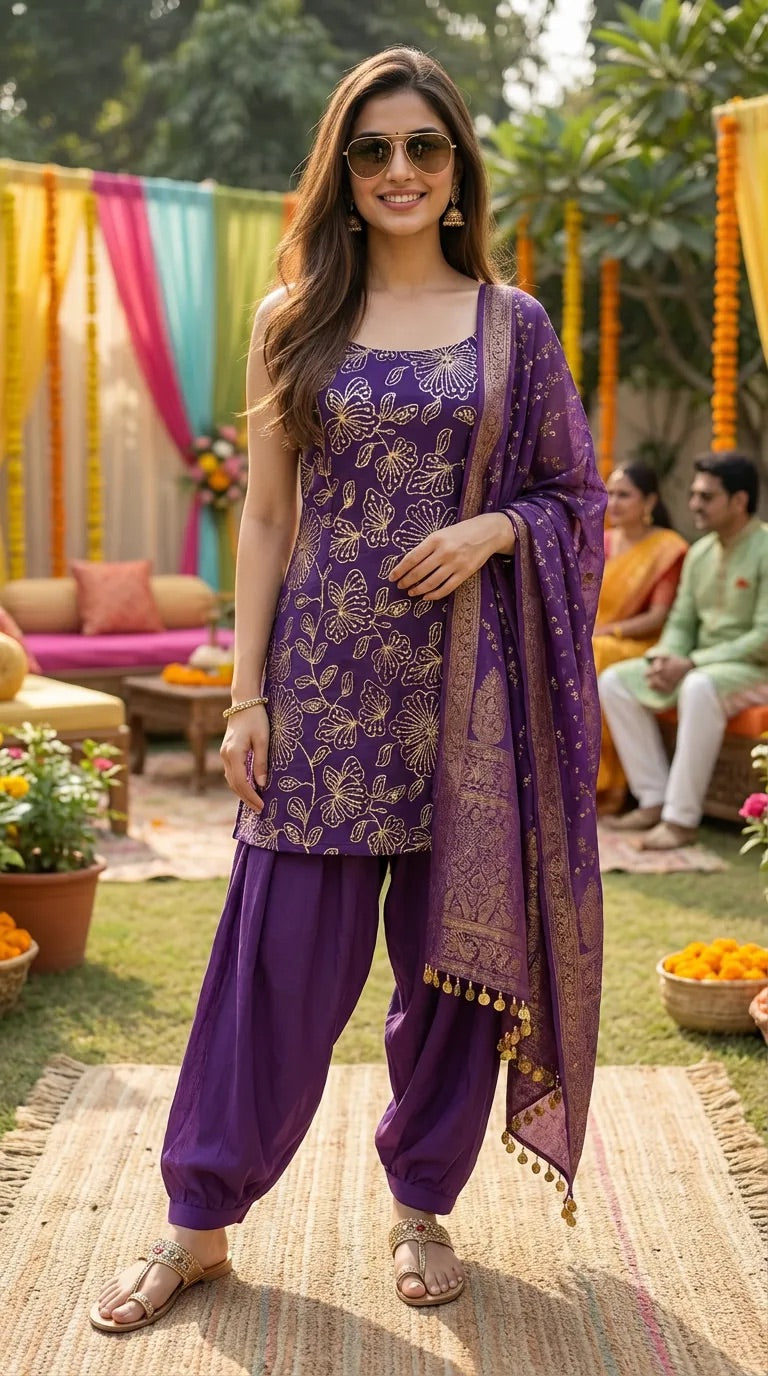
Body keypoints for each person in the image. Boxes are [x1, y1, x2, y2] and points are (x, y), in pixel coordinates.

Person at [92, 46, 605, 1333]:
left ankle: (422, 1202)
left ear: (457, 169)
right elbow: (267, 517)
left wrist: (494, 530)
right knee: (273, 965)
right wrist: (246, 694)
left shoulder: (514, 325)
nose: (398, 170)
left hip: (470, 701)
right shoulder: (294, 318)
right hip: (323, 689)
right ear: (343, 170)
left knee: (453, 974)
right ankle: (197, 1222)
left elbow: (573, 497)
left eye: (423, 146)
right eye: (372, 149)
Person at [600, 452, 768, 850]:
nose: (694, 504)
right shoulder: (700, 553)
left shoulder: (764, 548)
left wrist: (689, 662)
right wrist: (663, 657)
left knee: (697, 686)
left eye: (706, 497)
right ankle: (653, 798)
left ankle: (680, 820)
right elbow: (680, 623)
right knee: (615, 682)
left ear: (739, 501)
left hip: (753, 668)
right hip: (704, 665)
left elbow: (764, 636)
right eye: (694, 495)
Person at [593, 463, 687, 813]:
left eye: (624, 495)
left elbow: (657, 617)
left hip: (642, 643)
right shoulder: (600, 541)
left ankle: (606, 787)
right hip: (595, 637)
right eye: (610, 493)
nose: (614, 502)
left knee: (596, 653)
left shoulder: (667, 548)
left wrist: (610, 630)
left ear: (649, 501)